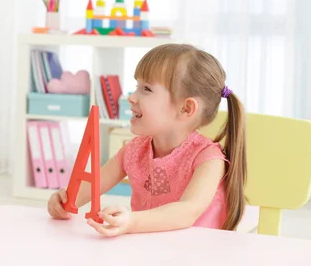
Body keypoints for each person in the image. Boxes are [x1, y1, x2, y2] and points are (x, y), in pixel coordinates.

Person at [48, 43, 246, 236]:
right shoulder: (135, 150)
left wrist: (132, 221)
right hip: (150, 250)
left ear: (186, 108)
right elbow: (95, 184)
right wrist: (65, 199)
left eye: (147, 89)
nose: (132, 97)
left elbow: (187, 211)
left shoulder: (209, 159)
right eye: (137, 86)